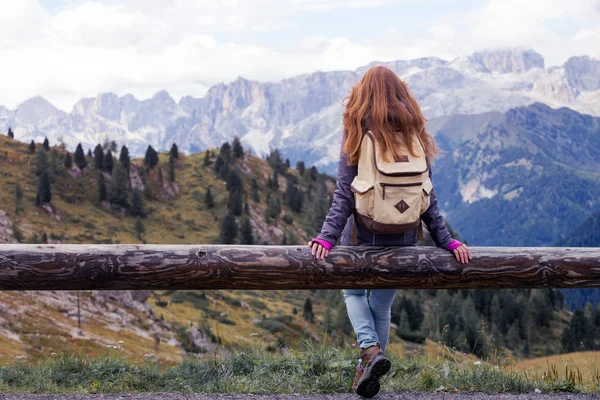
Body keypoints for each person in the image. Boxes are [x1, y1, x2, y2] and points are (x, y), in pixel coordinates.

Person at [307, 66, 471, 398]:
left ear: (362, 94)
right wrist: (447, 239)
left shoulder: (357, 128)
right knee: (381, 305)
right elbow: (427, 195)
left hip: (361, 237)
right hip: (404, 238)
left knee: (353, 294)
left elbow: (344, 192)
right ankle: (368, 368)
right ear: (400, 93)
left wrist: (326, 236)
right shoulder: (414, 130)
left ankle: (369, 352)